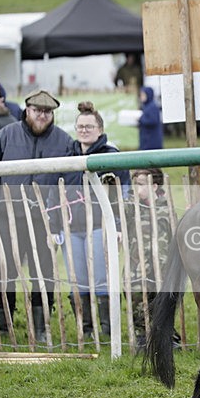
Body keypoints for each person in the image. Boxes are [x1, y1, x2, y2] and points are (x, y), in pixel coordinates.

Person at [0, 89, 76, 341]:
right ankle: (2, 325)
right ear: (27, 111)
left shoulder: (64, 141)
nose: (42, 116)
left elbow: (70, 182)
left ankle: (42, 325)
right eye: (37, 111)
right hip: (7, 217)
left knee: (43, 273)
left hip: (44, 220)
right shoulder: (6, 135)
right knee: (3, 270)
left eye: (47, 112)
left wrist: (57, 217)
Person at [62, 101, 130, 339]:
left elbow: (124, 195)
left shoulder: (112, 157)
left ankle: (108, 329)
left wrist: (119, 226)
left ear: (99, 129)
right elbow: (54, 193)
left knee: (101, 279)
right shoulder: (67, 157)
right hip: (72, 227)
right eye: (80, 126)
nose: (84, 130)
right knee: (77, 280)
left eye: (89, 126)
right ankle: (87, 329)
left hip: (101, 225)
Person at [125, 167, 173, 349]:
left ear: (154, 186)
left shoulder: (166, 207)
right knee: (138, 295)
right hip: (138, 263)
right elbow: (116, 208)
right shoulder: (131, 205)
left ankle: (165, 334)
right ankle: (142, 335)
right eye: (135, 184)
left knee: (163, 298)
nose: (137, 189)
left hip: (162, 264)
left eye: (141, 185)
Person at [138, 86, 163, 151]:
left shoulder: (152, 107)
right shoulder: (146, 106)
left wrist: (140, 119)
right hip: (147, 139)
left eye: (143, 95)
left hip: (152, 140)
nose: (141, 97)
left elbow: (153, 121)